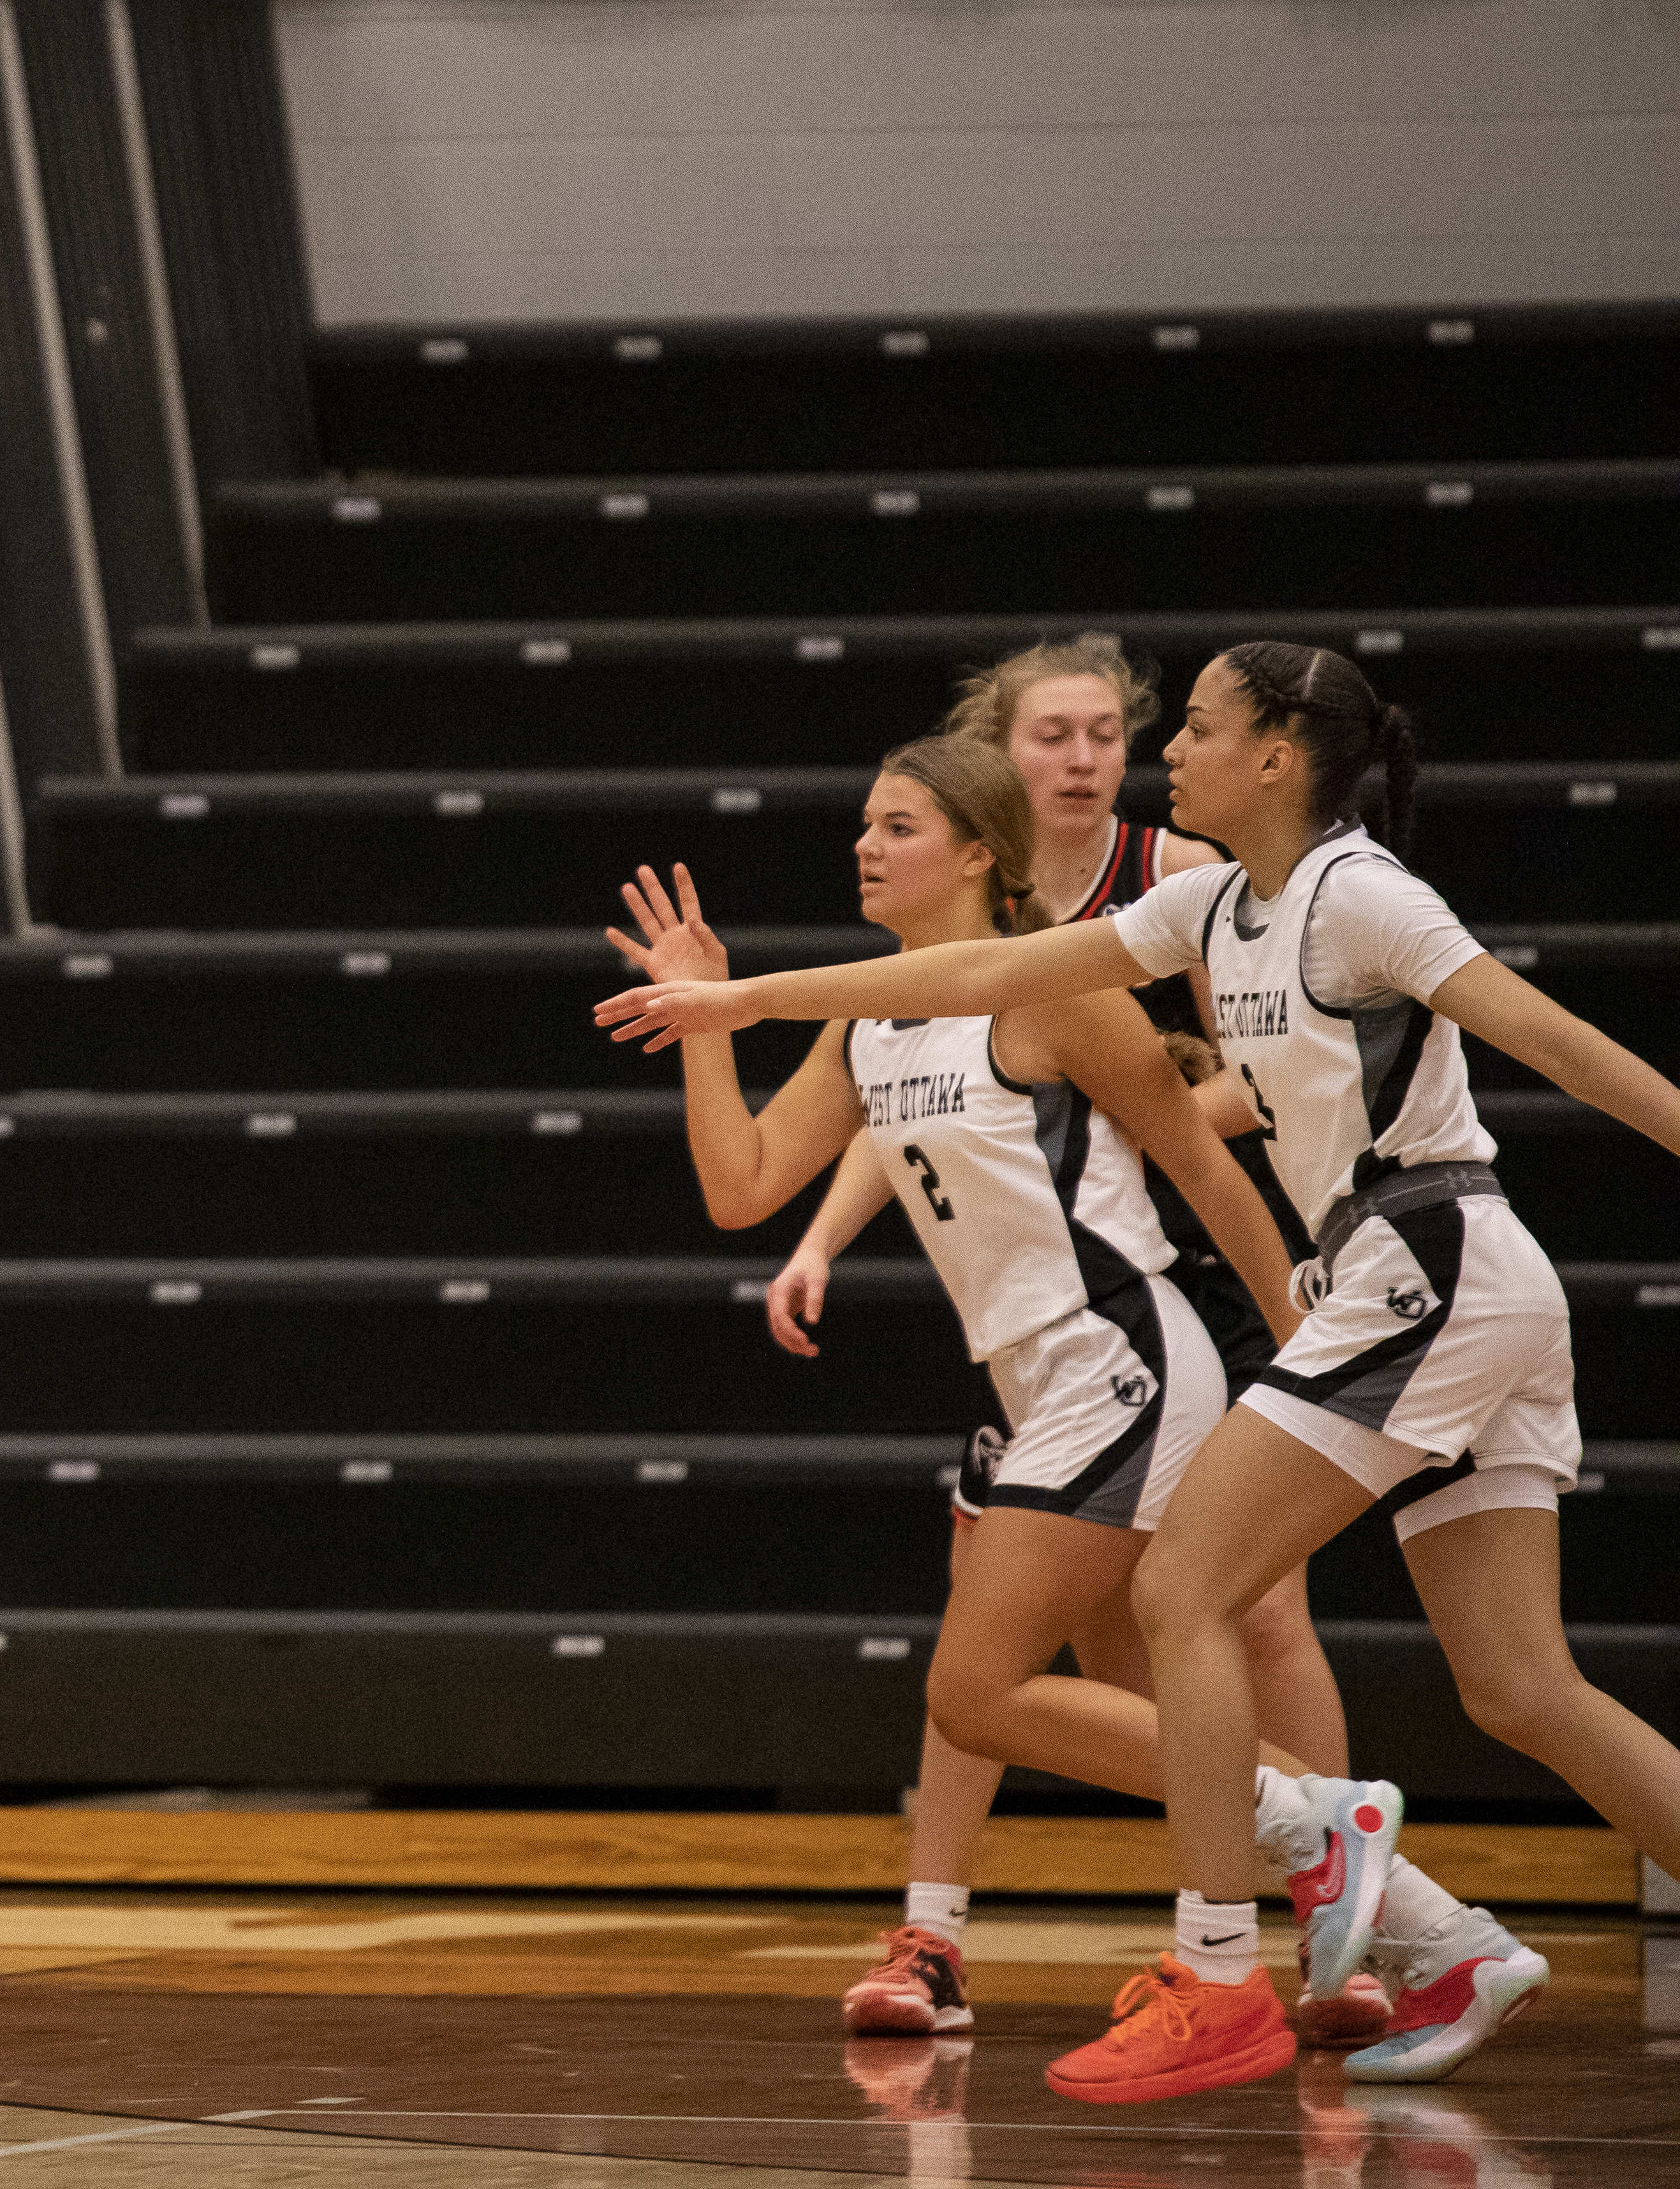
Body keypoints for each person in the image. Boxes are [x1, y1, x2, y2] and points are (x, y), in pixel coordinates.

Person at [600, 642, 1680, 2097]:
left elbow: (1555, 1043)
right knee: (1521, 1689)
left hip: (1401, 1267)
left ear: (1280, 756)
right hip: (1419, 1283)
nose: (1170, 748)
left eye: (1199, 727)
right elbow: (965, 979)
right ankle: (1428, 1934)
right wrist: (738, 1008)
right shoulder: (1210, 907)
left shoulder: (1359, 893)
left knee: (1172, 1603)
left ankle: (1228, 1968)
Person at [767, 644, 1364, 2047]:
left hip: (1169, 1272)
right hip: (1036, 1265)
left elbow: (1242, 1076)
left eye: (1107, 732)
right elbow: (906, 1092)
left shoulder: (1167, 875)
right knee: (1018, 1622)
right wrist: (823, 1236)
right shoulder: (951, 908)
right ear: (999, 758)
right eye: (1054, 735)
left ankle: (1342, 1934)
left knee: (1245, 1615)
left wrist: (1146, 1108)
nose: (1084, 758)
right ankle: (940, 1927)